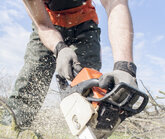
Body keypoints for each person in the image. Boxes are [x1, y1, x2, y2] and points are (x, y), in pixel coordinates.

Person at [3, 0, 138, 128]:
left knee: (90, 90)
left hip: (84, 24)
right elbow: (43, 25)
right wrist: (59, 48)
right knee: (32, 81)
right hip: (47, 23)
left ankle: (94, 138)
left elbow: (115, 3)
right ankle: (10, 134)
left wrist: (124, 67)